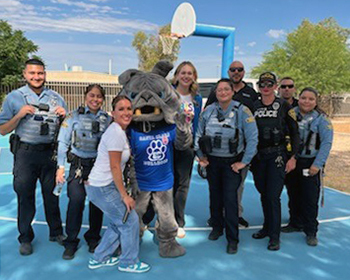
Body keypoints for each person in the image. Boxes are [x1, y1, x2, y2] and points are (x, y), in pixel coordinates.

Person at [0, 58, 66, 256]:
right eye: (32, 73)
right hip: (25, 154)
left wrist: (64, 117)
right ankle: (25, 237)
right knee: (25, 196)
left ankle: (56, 232)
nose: (37, 77)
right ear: (25, 74)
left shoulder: (55, 98)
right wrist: (19, 115)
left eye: (40, 73)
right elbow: (3, 130)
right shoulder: (14, 97)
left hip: (49, 154)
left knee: (51, 195)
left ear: (45, 74)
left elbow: (65, 129)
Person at [85, 95, 150, 273]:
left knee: (118, 220)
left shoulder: (119, 131)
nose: (126, 112)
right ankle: (128, 262)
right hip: (102, 187)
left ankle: (99, 257)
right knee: (130, 220)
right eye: (121, 109)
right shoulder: (115, 133)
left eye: (129, 108)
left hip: (101, 186)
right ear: (113, 113)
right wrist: (124, 195)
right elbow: (115, 166)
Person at [194, 78, 258, 254]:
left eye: (226, 89)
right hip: (213, 161)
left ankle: (232, 239)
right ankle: (217, 227)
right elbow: (198, 135)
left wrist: (244, 162)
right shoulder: (208, 112)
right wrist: (200, 157)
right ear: (215, 93)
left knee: (230, 200)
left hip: (232, 163)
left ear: (232, 92)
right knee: (215, 196)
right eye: (219, 90)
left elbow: (253, 139)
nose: (222, 92)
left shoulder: (242, 111)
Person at [56, 84, 111, 260]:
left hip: (98, 167)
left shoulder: (107, 120)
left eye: (99, 96)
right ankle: (71, 241)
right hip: (78, 166)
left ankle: (93, 238)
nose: (95, 99)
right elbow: (63, 143)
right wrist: (61, 167)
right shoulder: (73, 116)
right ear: (85, 96)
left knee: (97, 204)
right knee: (76, 202)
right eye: (92, 96)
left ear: (103, 99)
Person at [205, 61, 258, 228]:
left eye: (239, 69)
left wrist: (249, 153)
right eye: (233, 70)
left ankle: (235, 215)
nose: (236, 72)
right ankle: (218, 218)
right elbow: (206, 119)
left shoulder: (250, 93)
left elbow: (254, 122)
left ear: (243, 72)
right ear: (229, 72)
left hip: (239, 152)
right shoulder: (217, 93)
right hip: (217, 153)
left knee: (236, 189)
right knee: (217, 189)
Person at [250, 72, 300, 251]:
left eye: (269, 83)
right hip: (258, 157)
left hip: (277, 155)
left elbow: (295, 132)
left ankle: (274, 236)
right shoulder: (253, 105)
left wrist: (293, 157)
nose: (265, 87)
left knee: (273, 196)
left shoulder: (284, 105)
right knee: (263, 194)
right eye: (262, 84)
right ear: (258, 86)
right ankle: (267, 226)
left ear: (275, 86)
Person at [282, 88, 333, 246]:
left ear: (316, 101)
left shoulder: (322, 119)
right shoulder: (291, 114)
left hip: (310, 163)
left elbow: (326, 144)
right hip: (292, 161)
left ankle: (311, 230)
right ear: (299, 98)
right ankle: (295, 222)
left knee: (310, 197)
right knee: (293, 193)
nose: (306, 101)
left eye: (311, 99)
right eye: (303, 98)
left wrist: (317, 165)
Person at [171, 61, 202, 238]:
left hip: (187, 147)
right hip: (168, 145)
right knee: (167, 184)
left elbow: (197, 124)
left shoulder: (196, 98)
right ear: (176, 75)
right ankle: (163, 218)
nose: (186, 76)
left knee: (183, 185)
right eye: (183, 72)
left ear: (194, 77)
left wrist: (197, 149)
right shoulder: (168, 95)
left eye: (190, 73)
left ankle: (178, 221)